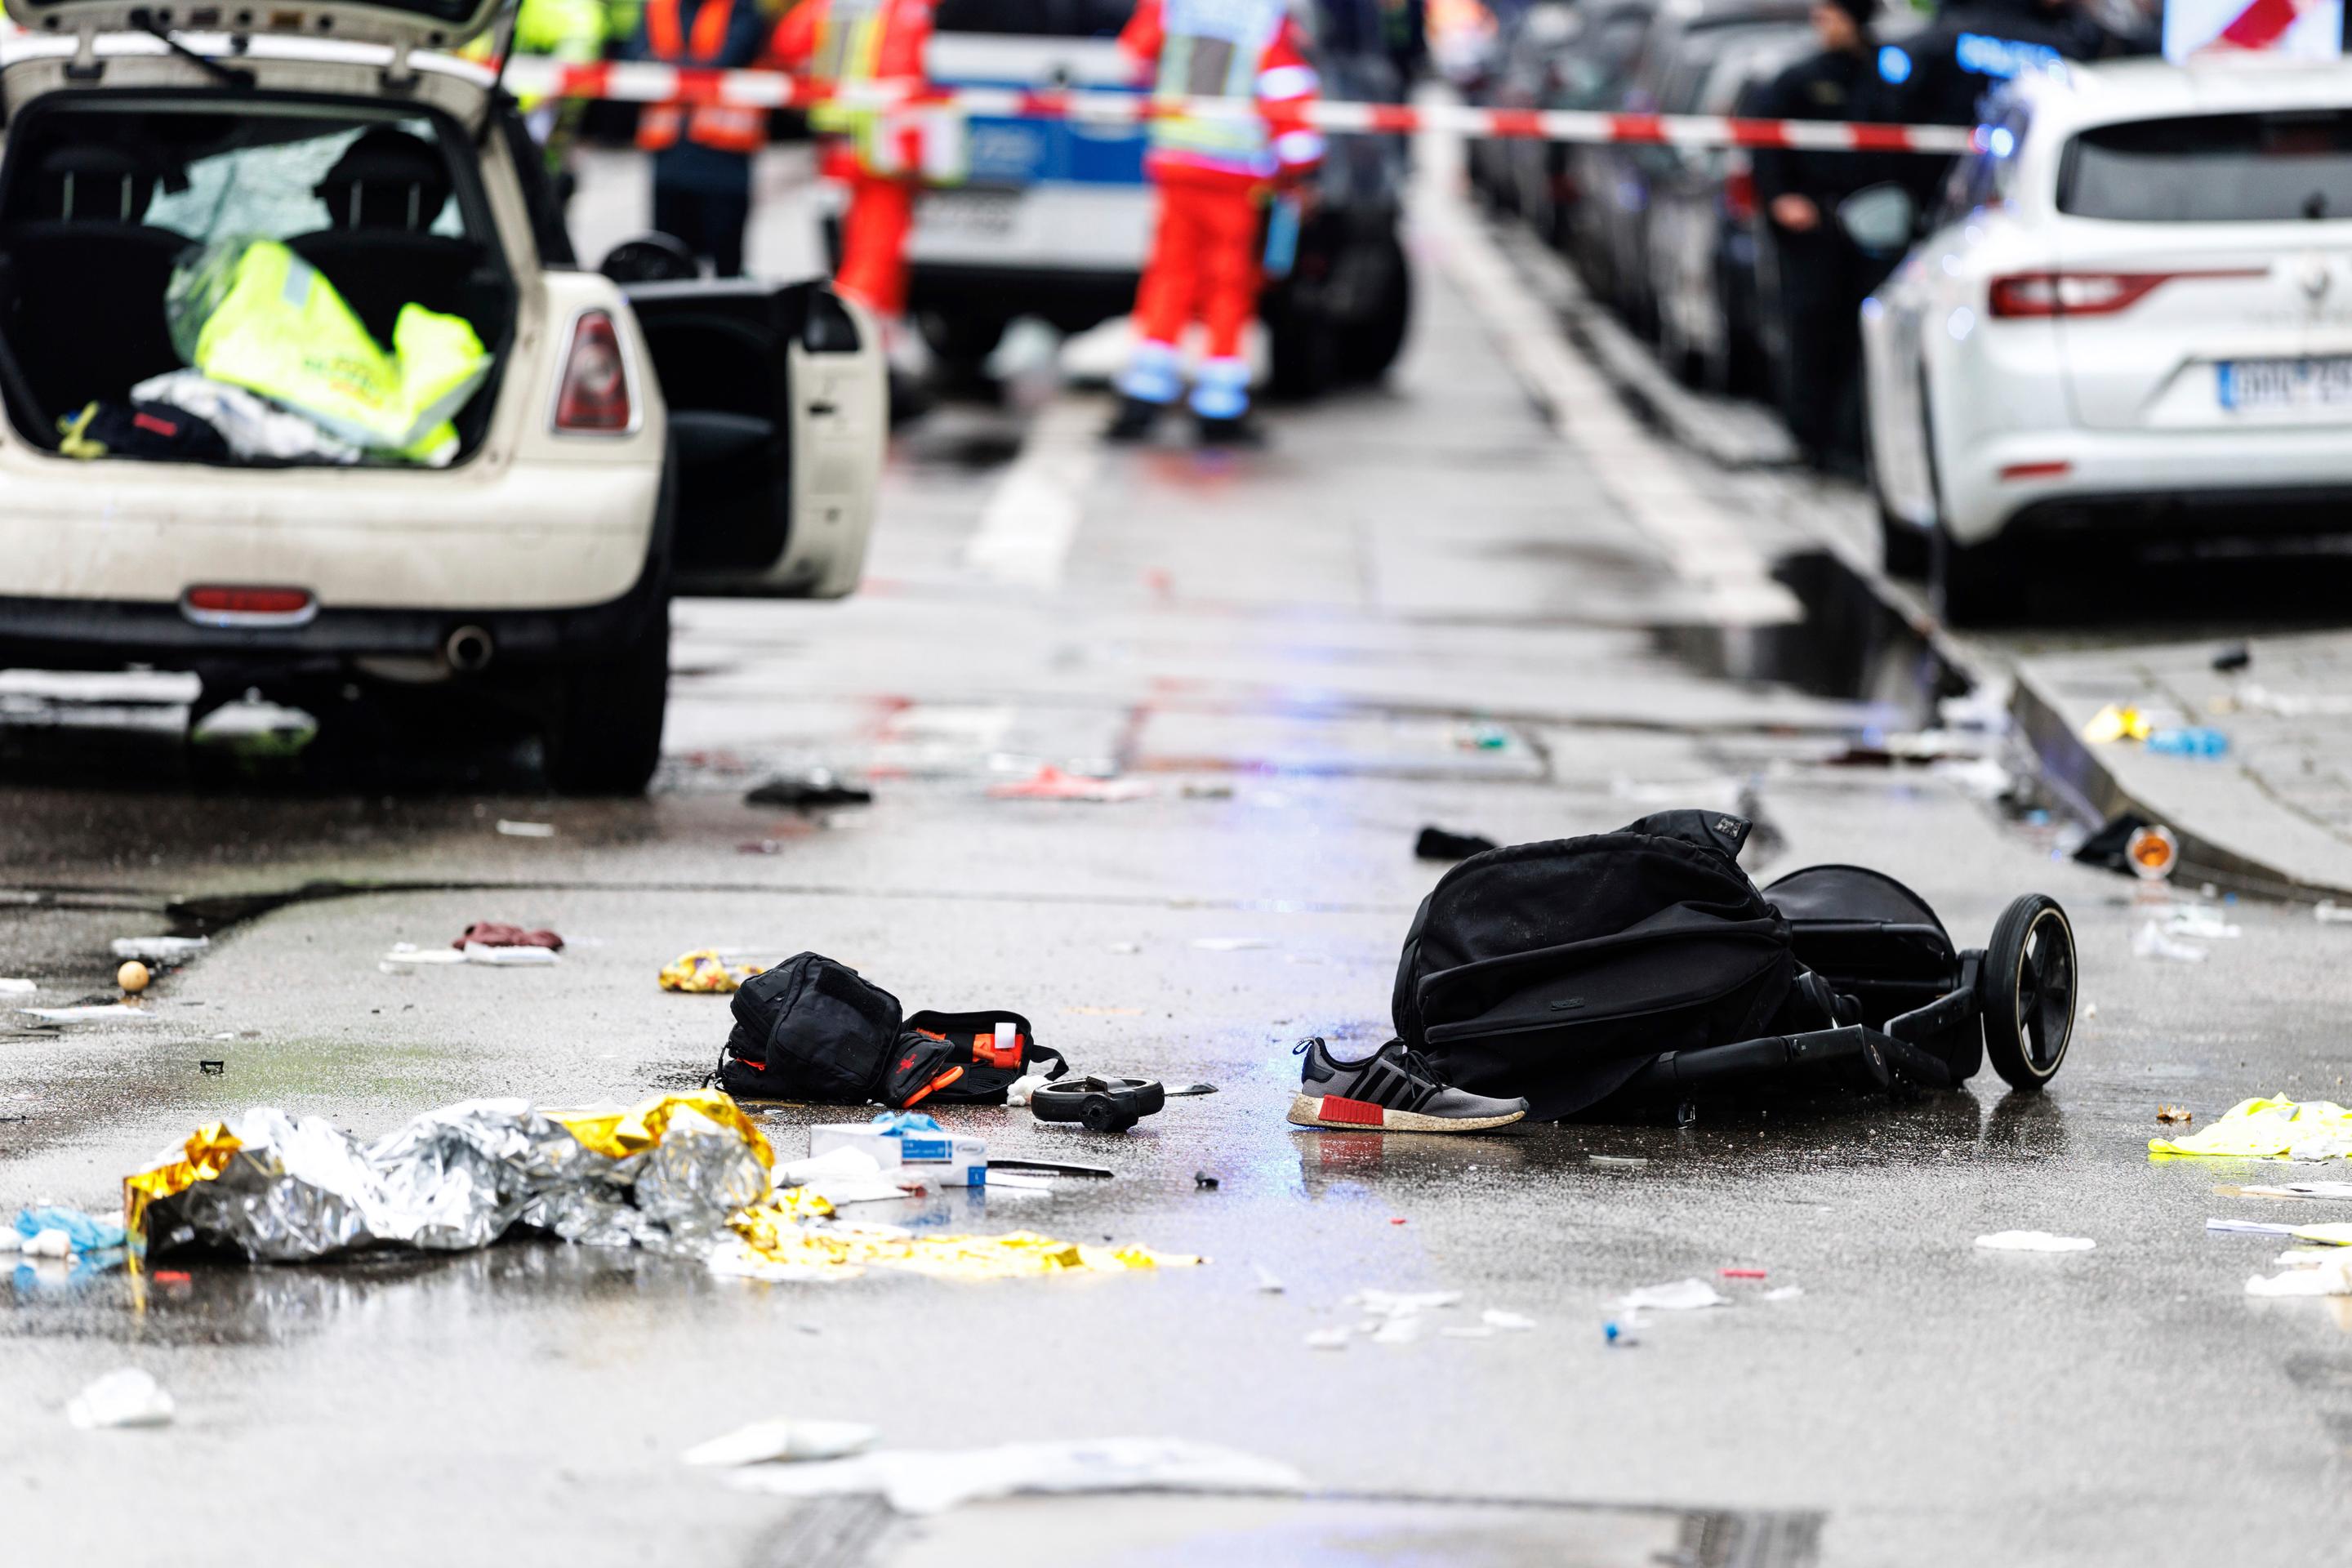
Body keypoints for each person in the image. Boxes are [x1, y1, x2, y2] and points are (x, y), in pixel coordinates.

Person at [1106, 0, 1325, 447]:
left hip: (1177, 163)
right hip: (1235, 173)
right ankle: (1219, 405)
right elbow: (1286, 92)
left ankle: (1143, 398)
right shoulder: (1266, 14)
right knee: (1228, 286)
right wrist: (1301, 172)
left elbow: (1132, 58)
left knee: (1168, 279)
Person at [1748, 0, 1902, 473]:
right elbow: (1765, 142)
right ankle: (1808, 439)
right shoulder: (1798, 78)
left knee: (1863, 335)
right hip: (1813, 228)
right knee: (1812, 329)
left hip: (1872, 227)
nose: (1822, 26)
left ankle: (1851, 443)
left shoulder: (1887, 72)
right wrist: (1781, 199)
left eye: (1830, 16)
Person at [771, 0, 950, 336]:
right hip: (886, 146)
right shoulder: (903, 10)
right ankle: (853, 329)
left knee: (855, 245)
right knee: (876, 249)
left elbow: (788, 46)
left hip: (841, 138)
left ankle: (858, 326)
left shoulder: (832, 4)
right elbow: (906, 77)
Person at [628, 0, 777, 278]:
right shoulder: (659, 8)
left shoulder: (740, 8)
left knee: (726, 260)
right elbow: (634, 55)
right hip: (671, 154)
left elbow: (729, 58)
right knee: (668, 257)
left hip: (722, 159)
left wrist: (664, 67)